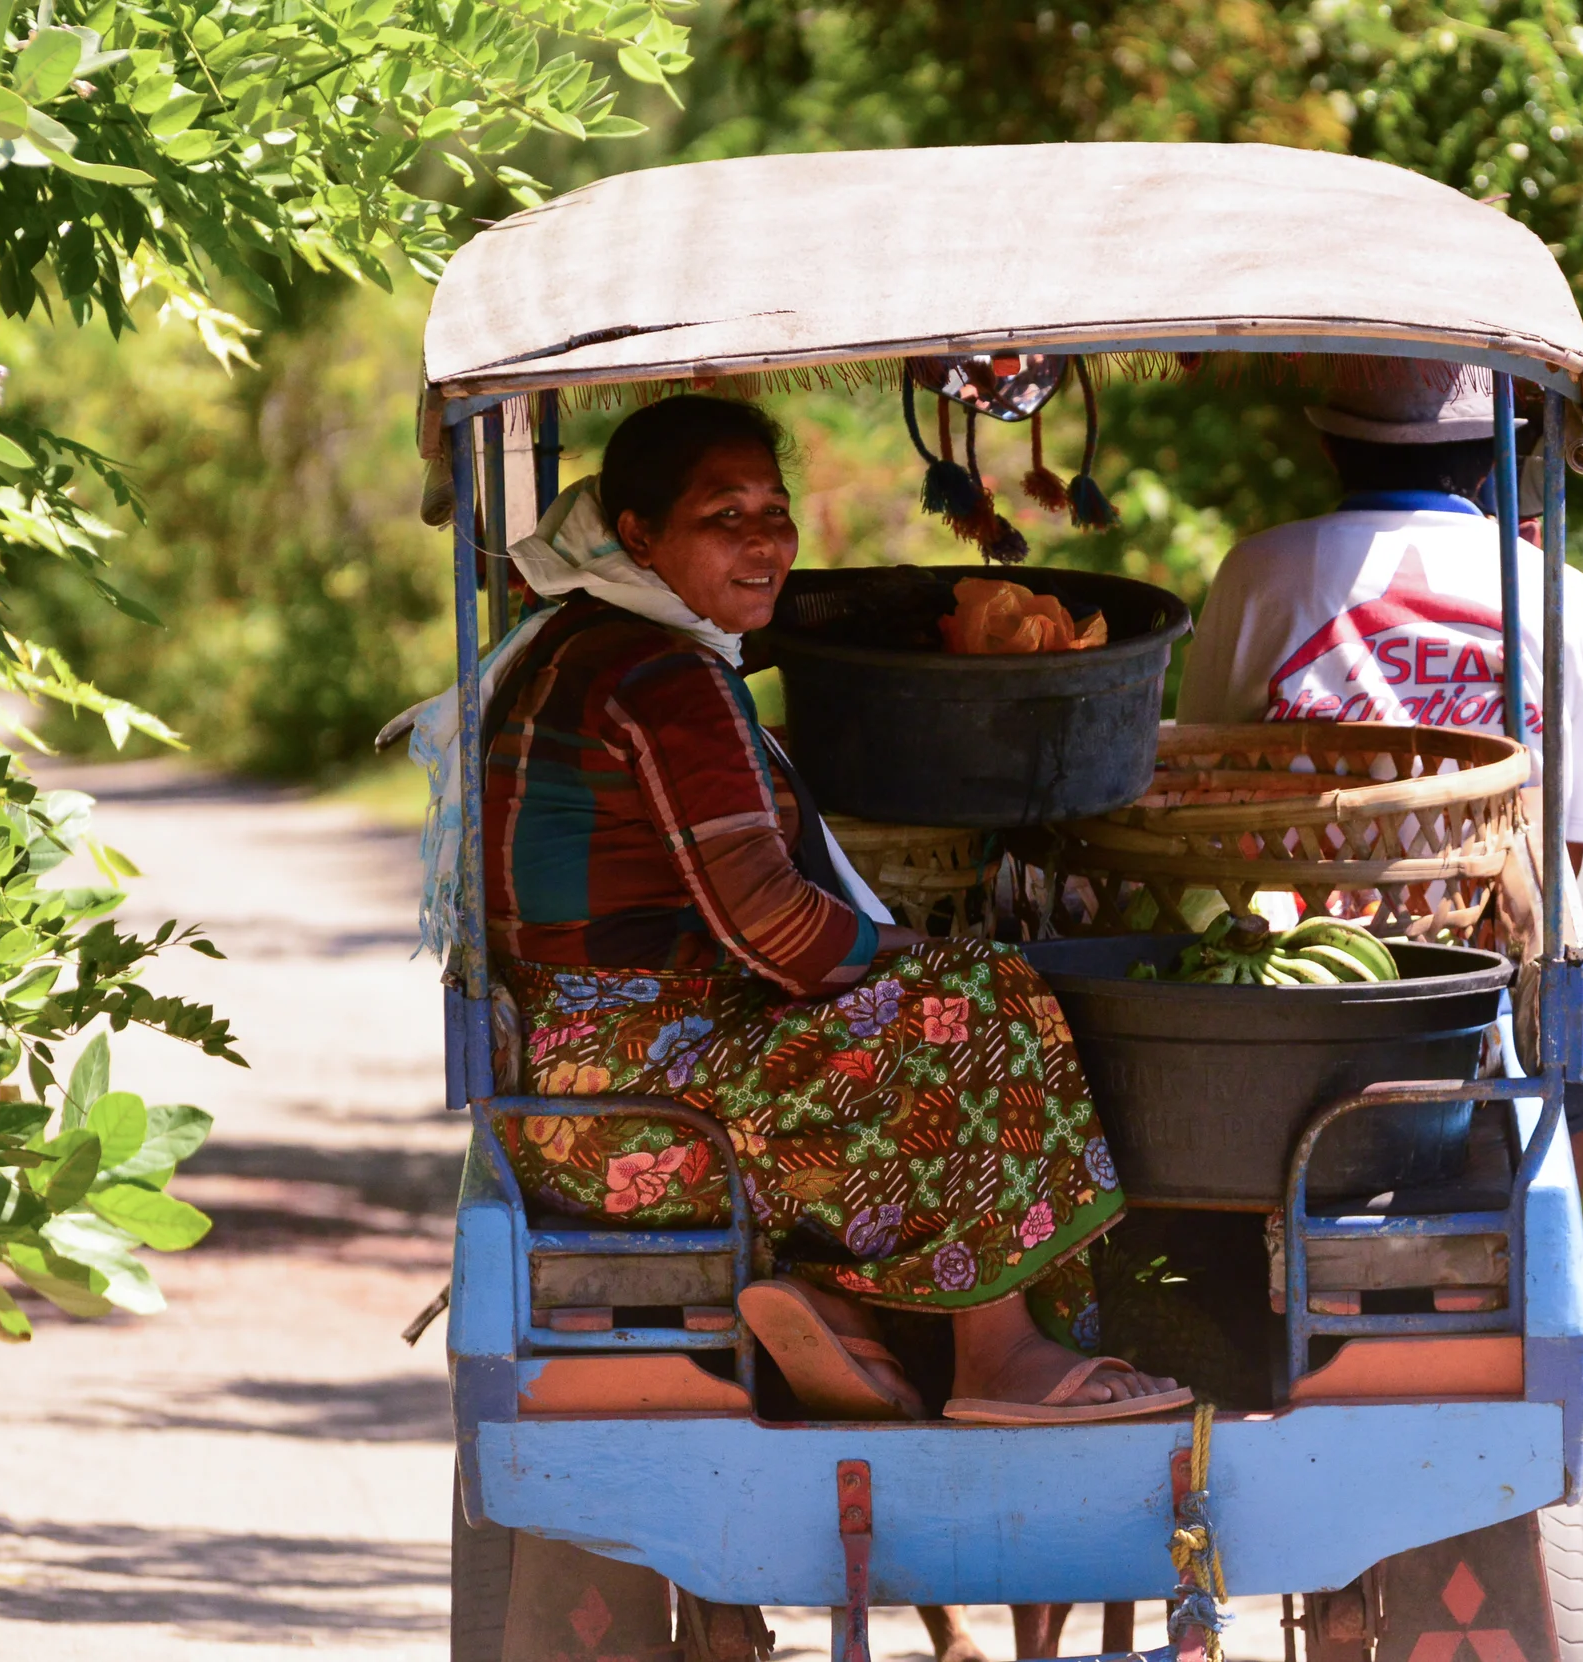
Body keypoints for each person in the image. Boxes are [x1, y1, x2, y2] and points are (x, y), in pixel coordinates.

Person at [447, 393, 1183, 1425]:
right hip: (638, 1109)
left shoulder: (582, 643)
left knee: (931, 993)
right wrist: (912, 955)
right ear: (638, 536)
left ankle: (841, 1304)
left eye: (772, 511)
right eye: (723, 516)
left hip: (577, 1086)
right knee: (979, 995)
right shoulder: (660, 677)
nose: (763, 542)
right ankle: (1000, 1355)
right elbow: (776, 932)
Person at [1176, 360, 1583, 1268]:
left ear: (1327, 443)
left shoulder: (1260, 569)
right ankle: (1561, 1177)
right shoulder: (1562, 594)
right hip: (1485, 941)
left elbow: (1207, 776)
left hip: (1301, 936)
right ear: (1499, 453)